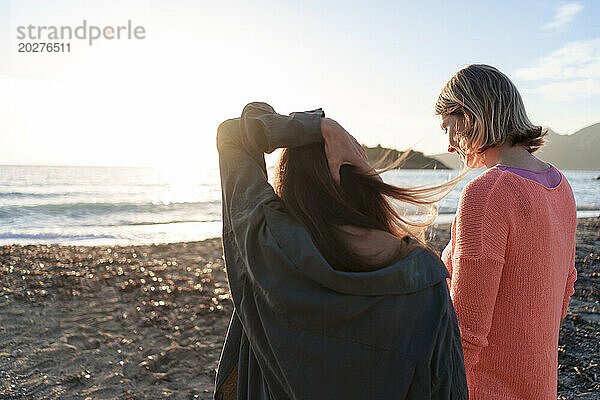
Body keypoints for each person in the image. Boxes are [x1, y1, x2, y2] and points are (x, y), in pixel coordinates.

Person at [214, 102, 468, 399]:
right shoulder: (423, 280)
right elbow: (448, 390)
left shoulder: (267, 243)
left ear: (291, 181)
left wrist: (316, 127)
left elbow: (232, 133)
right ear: (360, 176)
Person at [435, 64, 577, 399]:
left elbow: (466, 329)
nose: (450, 145)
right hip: (539, 385)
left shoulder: (487, 192)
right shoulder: (560, 184)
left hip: (485, 388)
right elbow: (566, 287)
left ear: (472, 116)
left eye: (449, 128)